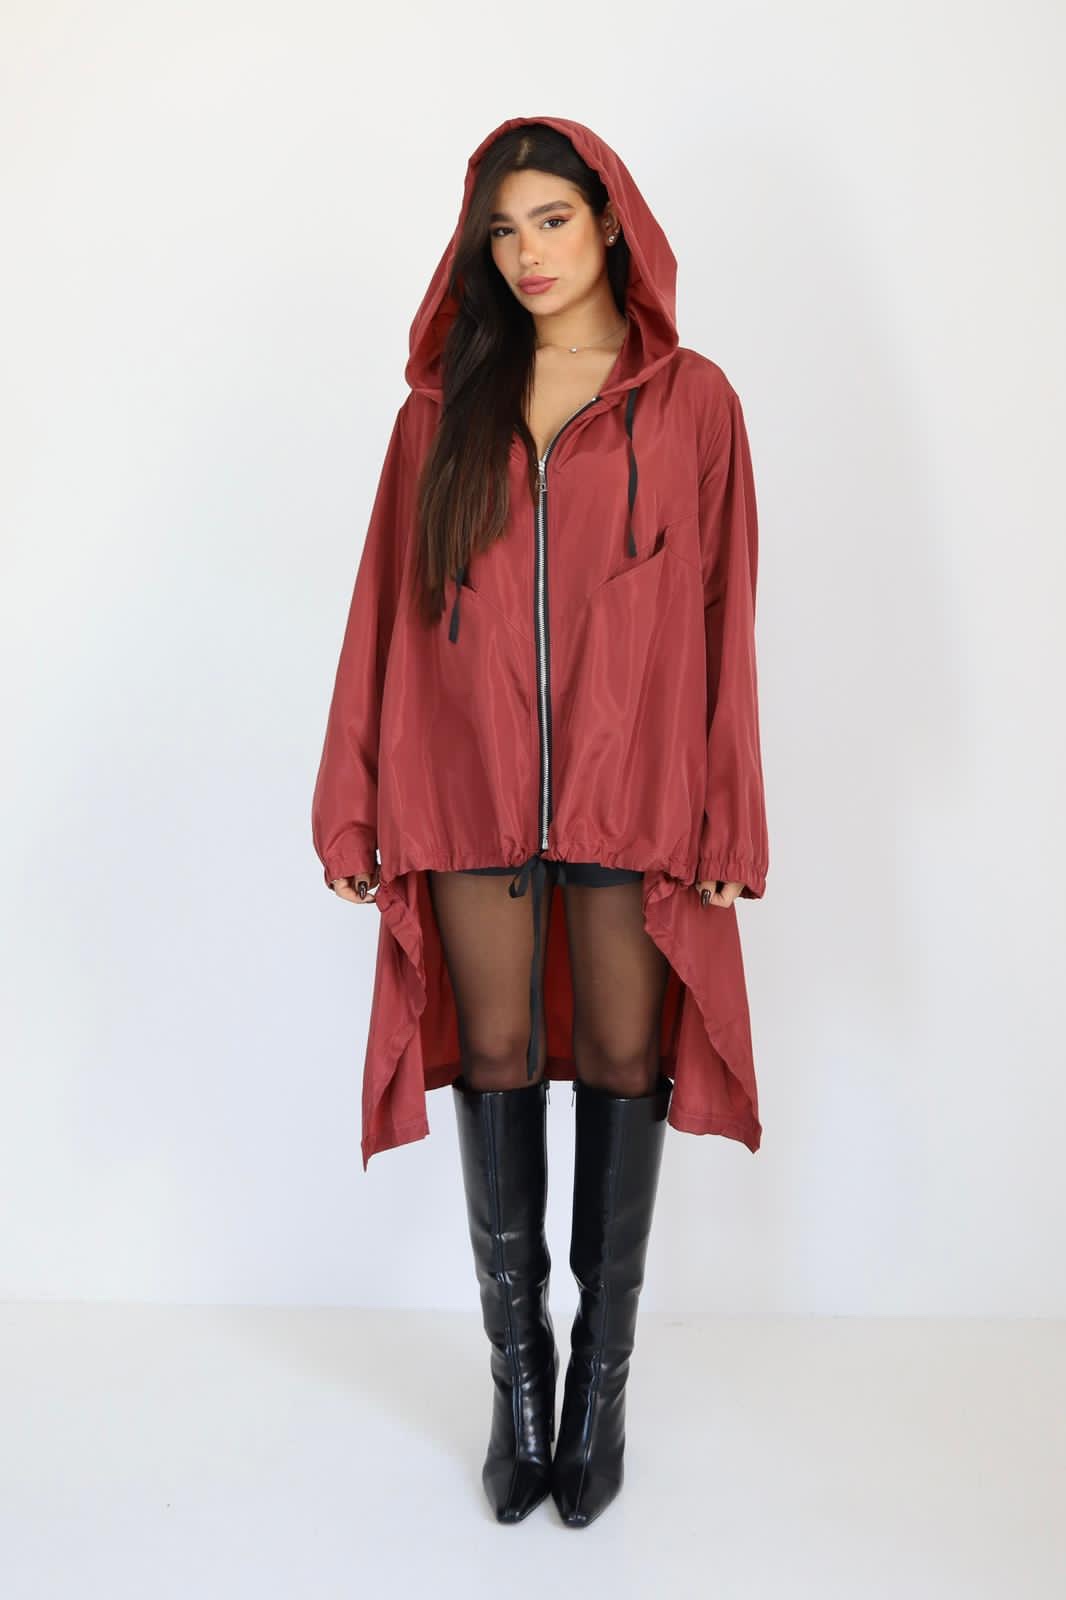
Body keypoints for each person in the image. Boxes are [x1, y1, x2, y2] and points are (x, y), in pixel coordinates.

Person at [311, 116, 769, 1528]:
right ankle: (521, 1391)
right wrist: (354, 796)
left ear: (610, 221)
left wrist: (731, 815)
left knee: (626, 1057)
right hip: (464, 782)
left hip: (636, 791)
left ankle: (599, 1393)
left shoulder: (694, 404)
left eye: (551, 221)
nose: (526, 254)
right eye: (502, 231)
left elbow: (724, 615)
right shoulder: (436, 411)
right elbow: (383, 605)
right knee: (498, 1055)